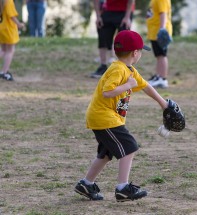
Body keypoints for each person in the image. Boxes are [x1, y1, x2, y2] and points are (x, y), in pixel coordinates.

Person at [74, 30, 168, 202]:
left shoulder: (129, 69)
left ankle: (86, 184)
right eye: (141, 51)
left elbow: (146, 86)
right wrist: (128, 85)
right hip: (104, 117)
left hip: (106, 117)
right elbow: (107, 92)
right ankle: (123, 188)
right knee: (130, 146)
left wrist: (164, 104)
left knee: (106, 153)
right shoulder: (118, 70)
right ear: (135, 53)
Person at [90, 0, 135, 79]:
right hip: (108, 11)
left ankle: (124, 68)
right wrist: (98, 16)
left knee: (124, 41)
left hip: (124, 12)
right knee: (102, 36)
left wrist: (127, 17)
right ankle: (103, 66)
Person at [146, 0, 172, 88]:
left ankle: (163, 78)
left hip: (159, 32)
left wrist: (162, 29)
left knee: (162, 55)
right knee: (158, 55)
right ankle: (158, 76)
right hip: (154, 32)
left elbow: (163, 14)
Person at [0, 0, 25, 81]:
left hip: (1, 27)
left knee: (3, 50)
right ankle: (4, 72)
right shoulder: (8, 1)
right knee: (10, 50)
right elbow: (11, 16)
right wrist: (19, 24)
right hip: (8, 29)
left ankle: (4, 72)